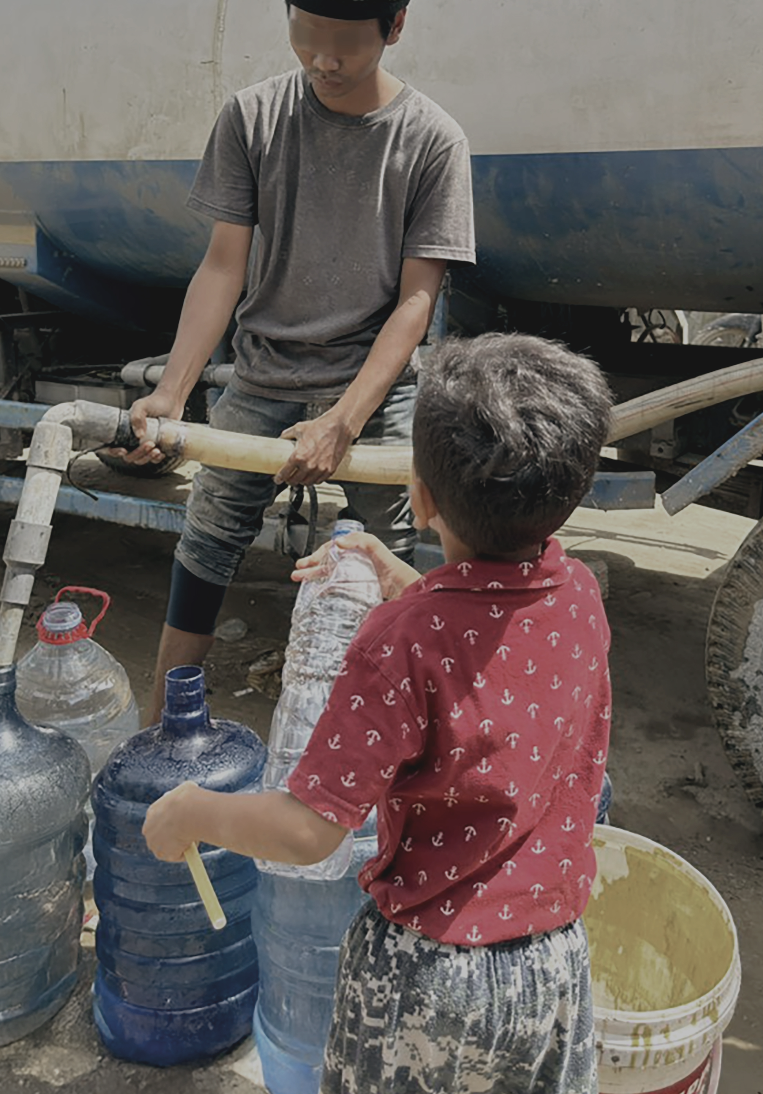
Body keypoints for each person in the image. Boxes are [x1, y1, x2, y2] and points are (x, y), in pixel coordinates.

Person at [143, 332, 614, 1094]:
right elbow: (485, 637)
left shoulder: (397, 643)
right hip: (552, 964)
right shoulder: (582, 595)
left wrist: (193, 811)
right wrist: (401, 576)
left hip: (426, 977)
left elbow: (308, 830)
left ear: (419, 496)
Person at [119, 0, 476, 724]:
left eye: (345, 44)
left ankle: (406, 734)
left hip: (372, 391)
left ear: (396, 28)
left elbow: (416, 300)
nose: (322, 60)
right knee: (207, 540)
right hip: (261, 373)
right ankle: (160, 728)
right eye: (304, 36)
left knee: (406, 556)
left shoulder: (432, 141)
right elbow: (222, 265)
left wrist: (343, 423)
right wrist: (173, 393)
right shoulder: (251, 117)